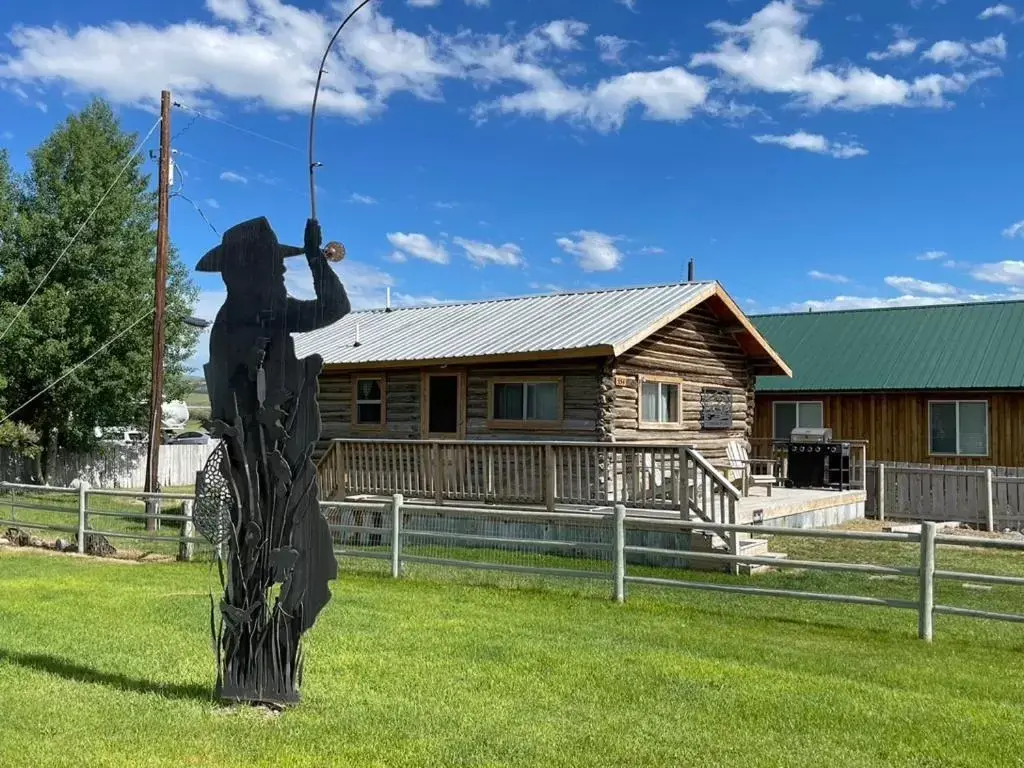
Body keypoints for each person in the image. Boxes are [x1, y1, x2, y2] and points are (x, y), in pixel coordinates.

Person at [195, 216, 350, 705]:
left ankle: (275, 666)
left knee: (311, 565)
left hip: (288, 471)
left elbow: (333, 307)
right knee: (257, 562)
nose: (280, 278)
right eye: (273, 268)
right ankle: (249, 672)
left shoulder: (274, 312)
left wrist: (313, 260)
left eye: (281, 270)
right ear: (243, 271)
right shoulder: (237, 322)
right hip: (257, 477)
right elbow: (232, 405)